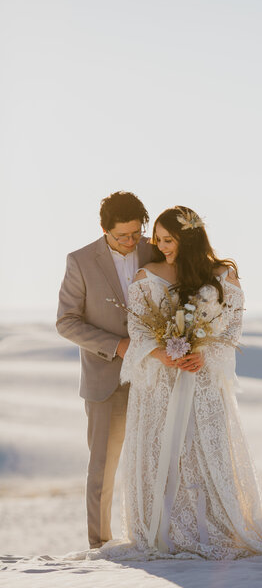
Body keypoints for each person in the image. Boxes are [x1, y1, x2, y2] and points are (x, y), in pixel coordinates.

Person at [87, 206, 262, 561]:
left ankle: (214, 525)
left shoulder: (223, 276)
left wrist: (203, 355)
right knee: (162, 453)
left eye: (169, 240)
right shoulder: (145, 276)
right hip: (160, 384)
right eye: (159, 240)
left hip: (203, 380)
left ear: (189, 237)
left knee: (205, 452)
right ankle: (161, 528)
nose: (161, 246)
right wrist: (162, 353)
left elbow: (230, 331)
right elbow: (137, 329)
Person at [56, 191, 154, 549]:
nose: (131, 242)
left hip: (156, 377)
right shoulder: (80, 261)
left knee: (156, 461)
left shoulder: (155, 248)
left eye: (135, 233)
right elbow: (66, 322)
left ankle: (155, 538)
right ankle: (100, 545)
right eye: (122, 236)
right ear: (104, 229)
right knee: (103, 469)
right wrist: (118, 346)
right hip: (105, 379)